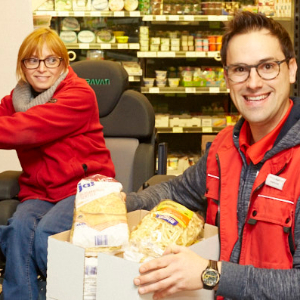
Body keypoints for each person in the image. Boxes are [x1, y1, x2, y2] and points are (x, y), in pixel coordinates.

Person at [126, 11, 300, 300]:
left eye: (267, 66)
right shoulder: (224, 148)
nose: (253, 83)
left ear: (292, 69)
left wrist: (211, 273)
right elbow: (175, 191)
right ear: (227, 78)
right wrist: (122, 204)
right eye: (240, 69)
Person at [0, 27, 115, 300]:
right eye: (33, 60)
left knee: (47, 235)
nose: (42, 68)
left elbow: (27, 128)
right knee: (18, 231)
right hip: (41, 192)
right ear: (23, 66)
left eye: (51, 60)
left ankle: (76, 293)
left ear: (64, 63)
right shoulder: (18, 99)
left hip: (85, 188)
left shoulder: (79, 94)